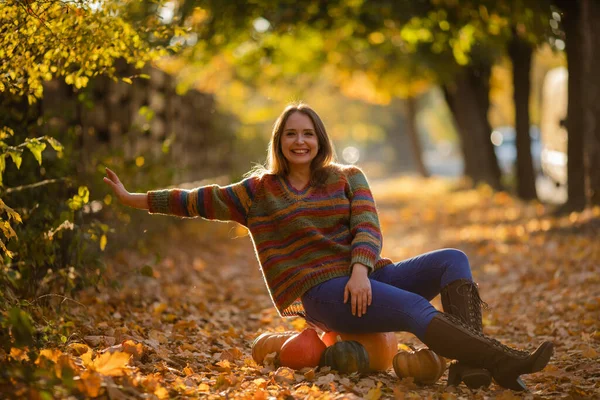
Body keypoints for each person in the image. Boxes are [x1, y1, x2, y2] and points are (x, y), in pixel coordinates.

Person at [103, 102, 553, 391]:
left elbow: (368, 227)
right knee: (417, 313)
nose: (300, 141)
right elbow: (195, 200)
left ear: (320, 140)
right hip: (324, 297)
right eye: (291, 134)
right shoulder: (258, 191)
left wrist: (360, 269)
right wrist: (134, 199)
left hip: (366, 278)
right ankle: (500, 360)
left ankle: (471, 367)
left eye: (308, 134)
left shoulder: (348, 177)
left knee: (453, 259)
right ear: (279, 142)